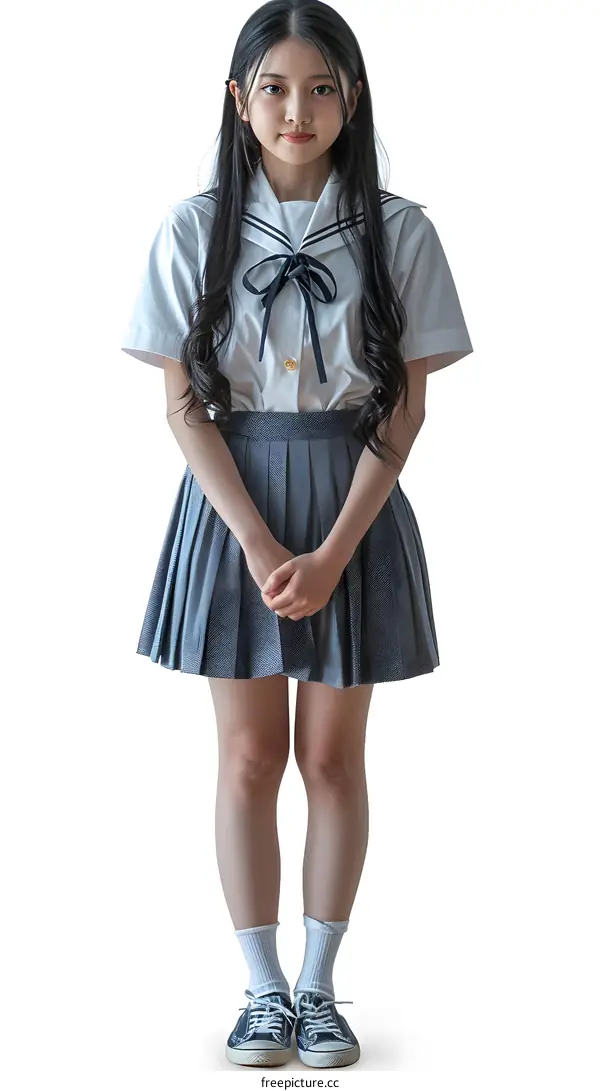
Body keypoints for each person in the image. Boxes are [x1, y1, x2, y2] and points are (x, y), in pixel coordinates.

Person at [120, 0, 473, 1070]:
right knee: (245, 756)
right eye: (273, 87)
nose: (297, 108)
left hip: (352, 496)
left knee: (331, 757)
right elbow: (186, 406)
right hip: (234, 502)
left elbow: (404, 407)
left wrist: (329, 551)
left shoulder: (399, 228)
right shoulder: (192, 226)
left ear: (352, 100)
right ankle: (261, 990)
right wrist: (263, 546)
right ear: (238, 102)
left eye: (322, 87)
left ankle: (322, 988)